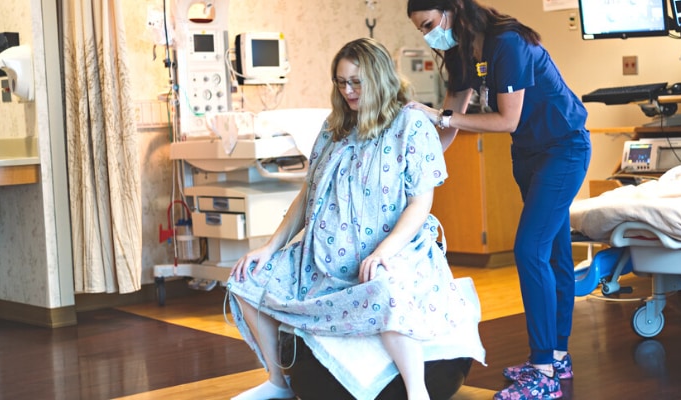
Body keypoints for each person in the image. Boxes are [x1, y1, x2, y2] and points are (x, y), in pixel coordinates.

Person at [226, 37, 477, 400]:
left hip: (391, 248)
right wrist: (269, 248)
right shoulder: (334, 128)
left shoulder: (410, 124)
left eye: (356, 82)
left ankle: (417, 391)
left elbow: (420, 203)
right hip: (322, 258)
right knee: (246, 278)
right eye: (341, 82)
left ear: (379, 79)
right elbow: (307, 195)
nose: (348, 91)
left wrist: (384, 253)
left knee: (386, 292)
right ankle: (279, 383)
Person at [406, 1, 592, 399]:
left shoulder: (507, 43)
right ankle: (557, 357)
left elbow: (506, 119)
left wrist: (440, 116)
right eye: (421, 29)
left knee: (529, 250)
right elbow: (450, 120)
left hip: (564, 149)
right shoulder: (462, 53)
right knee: (555, 252)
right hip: (527, 153)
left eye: (428, 24)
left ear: (452, 9)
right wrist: (420, 167)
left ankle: (542, 371)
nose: (427, 35)